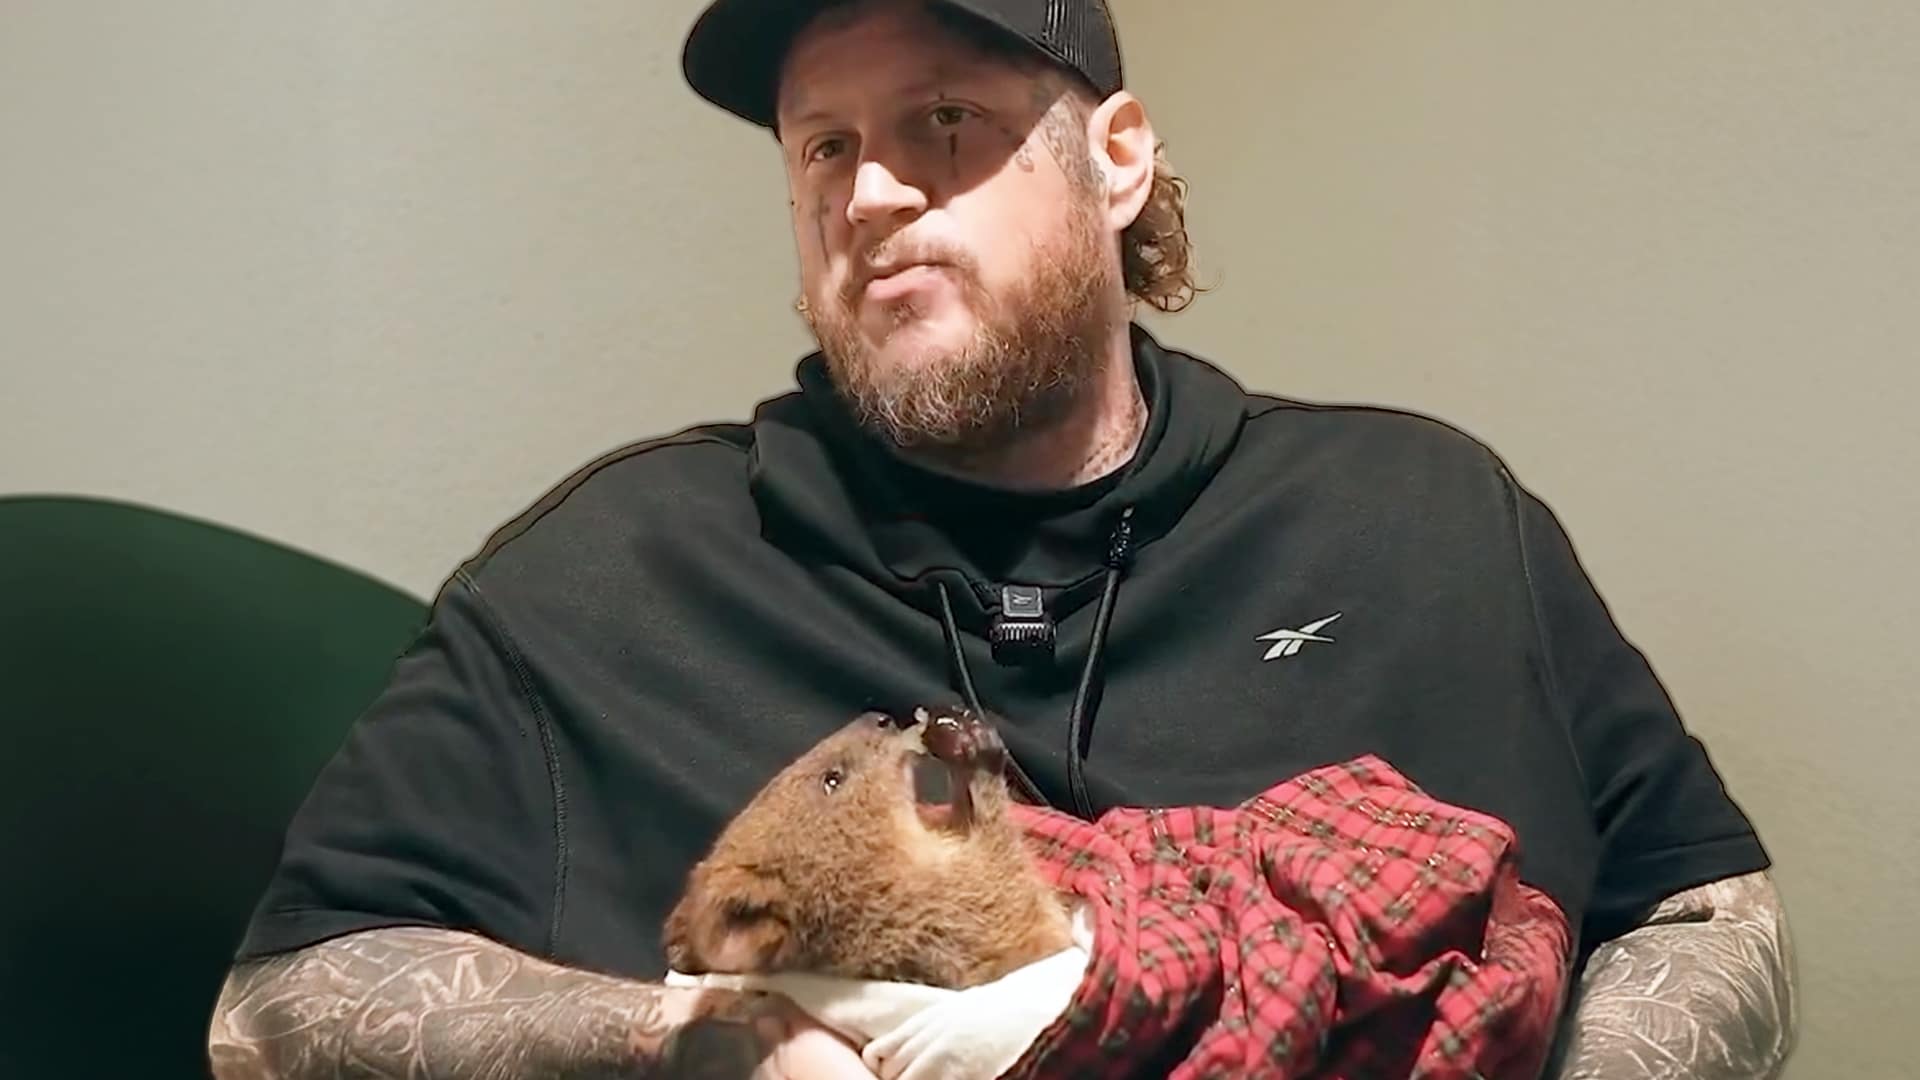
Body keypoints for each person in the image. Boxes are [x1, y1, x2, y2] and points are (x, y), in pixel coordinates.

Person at [206, 1, 1796, 1076]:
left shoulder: (1427, 518)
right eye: (823, 146)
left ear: (1118, 158)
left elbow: (1705, 916)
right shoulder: (598, 578)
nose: (870, 195)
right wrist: (712, 1040)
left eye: (944, 120)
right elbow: (273, 1010)